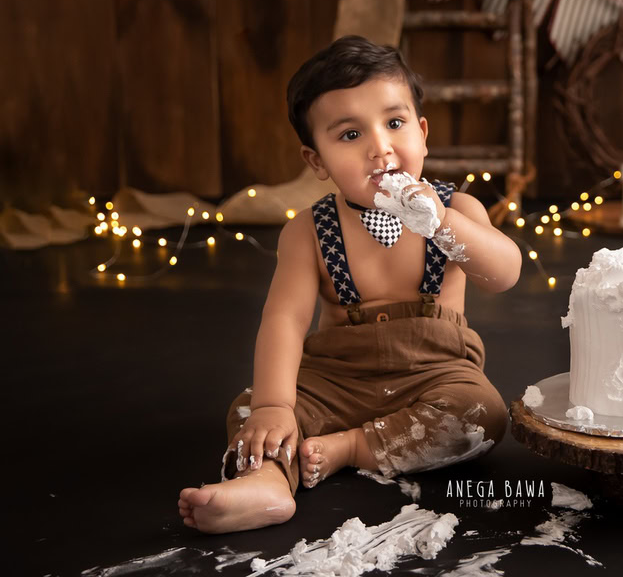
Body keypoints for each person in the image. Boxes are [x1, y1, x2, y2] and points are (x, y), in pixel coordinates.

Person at [178, 36, 522, 533]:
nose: (380, 147)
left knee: (483, 413)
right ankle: (267, 482)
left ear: (423, 133)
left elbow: (503, 274)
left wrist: (442, 223)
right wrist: (275, 405)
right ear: (317, 161)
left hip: (434, 372)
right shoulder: (309, 231)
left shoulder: (458, 210)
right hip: (337, 378)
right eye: (350, 135)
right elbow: (286, 319)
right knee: (251, 408)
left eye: (395, 123)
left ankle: (352, 447)